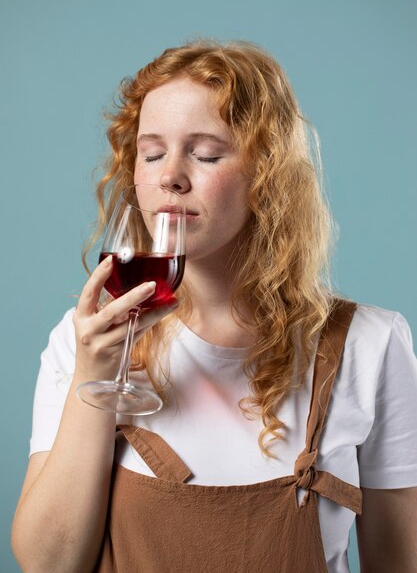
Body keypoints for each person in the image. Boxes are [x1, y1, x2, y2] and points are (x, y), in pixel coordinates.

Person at [11, 40, 417, 573]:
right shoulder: (84, 341)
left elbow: (398, 562)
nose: (169, 176)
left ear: (267, 175)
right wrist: (94, 378)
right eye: (151, 153)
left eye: (205, 154)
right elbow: (49, 564)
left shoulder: (372, 345)